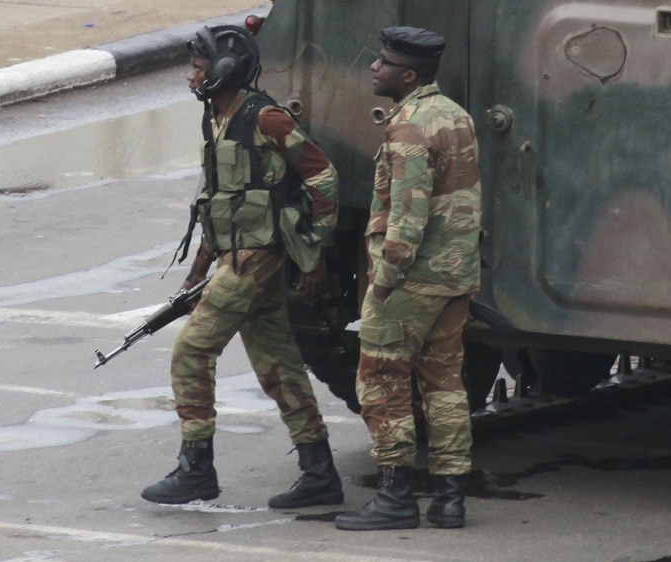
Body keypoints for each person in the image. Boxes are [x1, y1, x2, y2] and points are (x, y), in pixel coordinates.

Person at [140, 25, 344, 510]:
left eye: (198, 70)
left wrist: (313, 253)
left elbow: (323, 176)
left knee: (192, 350)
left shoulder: (265, 117)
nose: (191, 78)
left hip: (260, 257)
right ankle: (320, 474)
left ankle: (197, 469)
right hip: (236, 255)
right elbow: (217, 199)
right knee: (280, 367)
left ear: (225, 72)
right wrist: (198, 267)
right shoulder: (217, 116)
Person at [334, 26, 482, 531]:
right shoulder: (455, 115)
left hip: (411, 280)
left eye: (384, 63)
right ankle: (449, 497)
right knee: (444, 384)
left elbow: (408, 214)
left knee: (381, 379)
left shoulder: (410, 128)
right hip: (453, 276)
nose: (375, 68)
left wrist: (384, 279)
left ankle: (396, 495)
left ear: (409, 75)